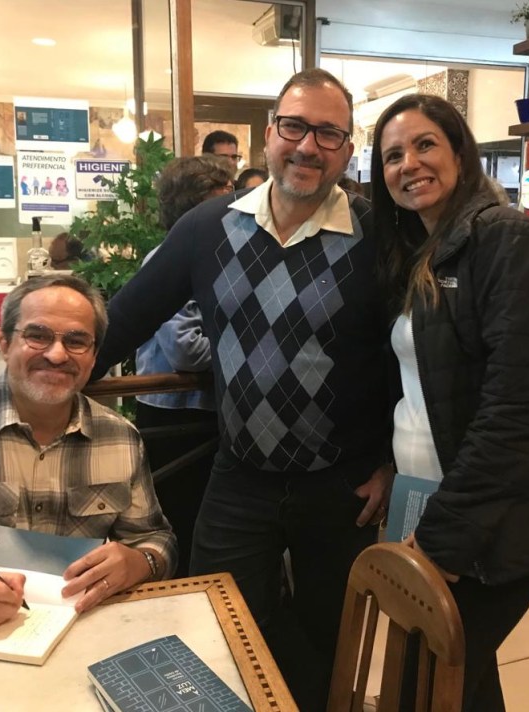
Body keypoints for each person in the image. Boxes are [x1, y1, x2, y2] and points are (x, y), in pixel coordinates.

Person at [90, 68, 394, 712]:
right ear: (269, 134)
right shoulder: (208, 229)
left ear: (347, 148)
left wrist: (393, 460)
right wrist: (52, 378)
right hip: (239, 477)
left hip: (340, 486)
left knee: (330, 638)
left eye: (328, 133)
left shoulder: (379, 238)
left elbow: (411, 358)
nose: (308, 146)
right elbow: (125, 319)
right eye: (294, 127)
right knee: (214, 628)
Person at [370, 93, 529, 712]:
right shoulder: (420, 252)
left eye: (425, 145)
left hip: (487, 519)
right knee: (462, 684)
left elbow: (521, 406)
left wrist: (444, 537)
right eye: (393, 155)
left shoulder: (509, 241)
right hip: (427, 500)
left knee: (420, 686)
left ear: (460, 154)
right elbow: (421, 388)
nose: (409, 164)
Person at [0, 275, 177, 630]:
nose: (57, 355)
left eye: (76, 341)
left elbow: (155, 539)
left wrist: (140, 562)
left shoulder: (119, 438)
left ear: (93, 357)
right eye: (38, 335)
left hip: (80, 628)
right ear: (5, 344)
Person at [135, 155, 234, 577]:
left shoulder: (223, 255)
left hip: (209, 412)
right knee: (180, 525)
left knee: (212, 528)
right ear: (193, 208)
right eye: (221, 202)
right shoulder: (167, 257)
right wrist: (250, 353)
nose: (233, 211)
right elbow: (186, 351)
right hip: (174, 414)